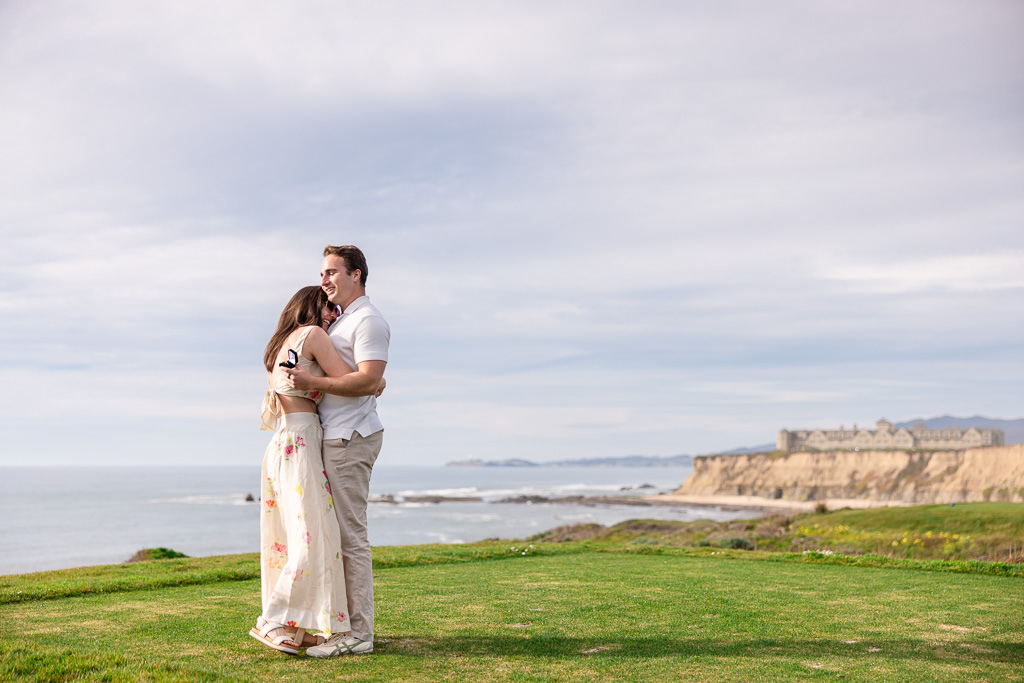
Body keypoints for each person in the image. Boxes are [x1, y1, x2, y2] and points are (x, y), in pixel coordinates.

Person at [251, 285, 384, 655]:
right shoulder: (313, 334)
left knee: (292, 537)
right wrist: (379, 381)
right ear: (312, 306)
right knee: (314, 536)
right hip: (302, 442)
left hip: (283, 444)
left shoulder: (279, 346)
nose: (333, 313)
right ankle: (272, 620)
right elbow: (354, 382)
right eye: (327, 307)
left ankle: (295, 626)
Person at [284, 245, 389, 658]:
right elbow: (370, 381)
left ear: (356, 274)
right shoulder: (342, 322)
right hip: (334, 435)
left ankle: (359, 634)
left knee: (350, 536)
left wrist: (315, 381)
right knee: (337, 536)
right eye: (323, 273)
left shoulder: (370, 321)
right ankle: (342, 627)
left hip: (350, 437)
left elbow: (366, 380)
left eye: (332, 272)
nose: (325, 280)